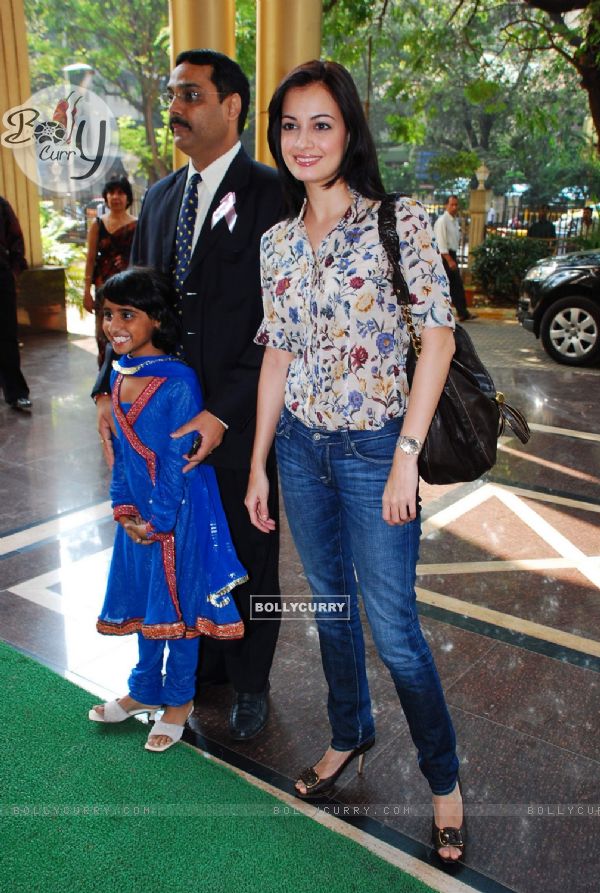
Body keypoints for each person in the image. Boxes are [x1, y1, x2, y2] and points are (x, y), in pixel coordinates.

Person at [245, 60, 465, 864]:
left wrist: (407, 457)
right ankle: (350, 734)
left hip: (378, 450)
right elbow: (277, 357)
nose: (304, 141)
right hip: (300, 449)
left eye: (322, 123)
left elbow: (436, 339)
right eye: (291, 126)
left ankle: (444, 781)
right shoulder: (275, 242)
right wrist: (260, 462)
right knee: (330, 610)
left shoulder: (396, 222)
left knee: (397, 630)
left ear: (350, 131)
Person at [93, 49, 283, 741]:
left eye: (192, 95)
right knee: (176, 544)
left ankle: (251, 681)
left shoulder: (273, 194)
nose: (175, 107)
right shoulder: (165, 195)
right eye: (174, 94)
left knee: (245, 550)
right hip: (163, 420)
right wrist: (106, 388)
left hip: (237, 417)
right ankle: (195, 669)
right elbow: (129, 301)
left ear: (232, 106)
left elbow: (281, 323)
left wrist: (224, 409)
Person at [89, 267, 247, 753]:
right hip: (137, 515)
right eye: (108, 314)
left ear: (156, 320)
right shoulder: (119, 374)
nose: (114, 324)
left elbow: (177, 463)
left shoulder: (177, 382)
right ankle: (143, 689)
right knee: (145, 603)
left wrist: (156, 523)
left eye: (128, 315)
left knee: (178, 609)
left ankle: (179, 700)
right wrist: (123, 510)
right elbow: (120, 454)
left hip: (177, 515)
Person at [84, 176, 137, 367]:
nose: (116, 197)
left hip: (129, 291)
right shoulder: (97, 225)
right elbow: (90, 260)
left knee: (128, 332)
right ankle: (105, 381)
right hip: (102, 289)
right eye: (111, 192)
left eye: (120, 192)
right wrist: (86, 293)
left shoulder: (137, 225)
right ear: (105, 197)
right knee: (103, 334)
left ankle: (128, 375)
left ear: (128, 197)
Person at [0, 195, 31, 412]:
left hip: (1, 278)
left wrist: (13, 272)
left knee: (7, 338)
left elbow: (16, 240)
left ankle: (16, 393)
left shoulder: (1, 205)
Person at [433, 195, 477, 322]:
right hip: (444, 257)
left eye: (456, 205)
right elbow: (441, 242)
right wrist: (449, 260)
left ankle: (462, 311)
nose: (454, 207)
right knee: (446, 285)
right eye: (452, 204)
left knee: (455, 284)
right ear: (446, 205)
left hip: (452, 254)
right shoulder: (442, 221)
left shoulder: (454, 221)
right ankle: (456, 311)